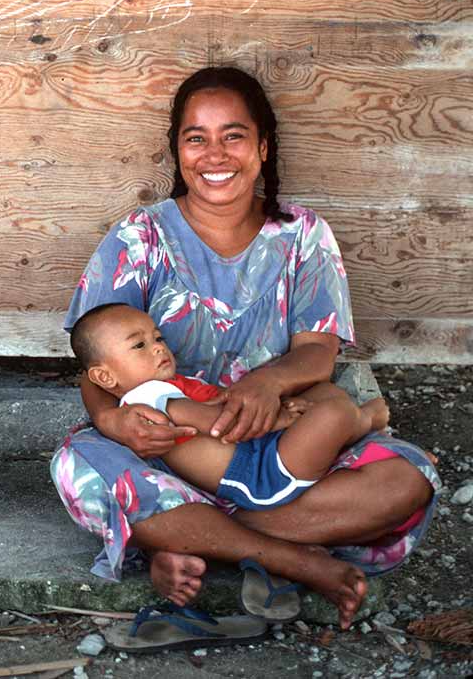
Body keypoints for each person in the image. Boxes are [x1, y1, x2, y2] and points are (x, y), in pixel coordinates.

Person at [51, 66, 439, 630]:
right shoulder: (139, 236)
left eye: (233, 135)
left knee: (408, 477)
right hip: (171, 454)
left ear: (262, 146)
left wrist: (267, 384)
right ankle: (294, 557)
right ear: (177, 150)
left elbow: (317, 352)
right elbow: (95, 367)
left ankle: (183, 537)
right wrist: (114, 424)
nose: (215, 155)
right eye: (196, 138)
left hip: (282, 447)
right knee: (79, 466)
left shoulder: (303, 235)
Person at [70, 304, 390, 510]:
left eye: (158, 338)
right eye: (139, 345)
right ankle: (365, 420)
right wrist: (278, 418)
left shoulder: (169, 386)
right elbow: (219, 424)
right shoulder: (148, 397)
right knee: (333, 413)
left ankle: (339, 436)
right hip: (258, 474)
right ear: (104, 377)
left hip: (260, 453)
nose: (157, 348)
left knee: (323, 393)